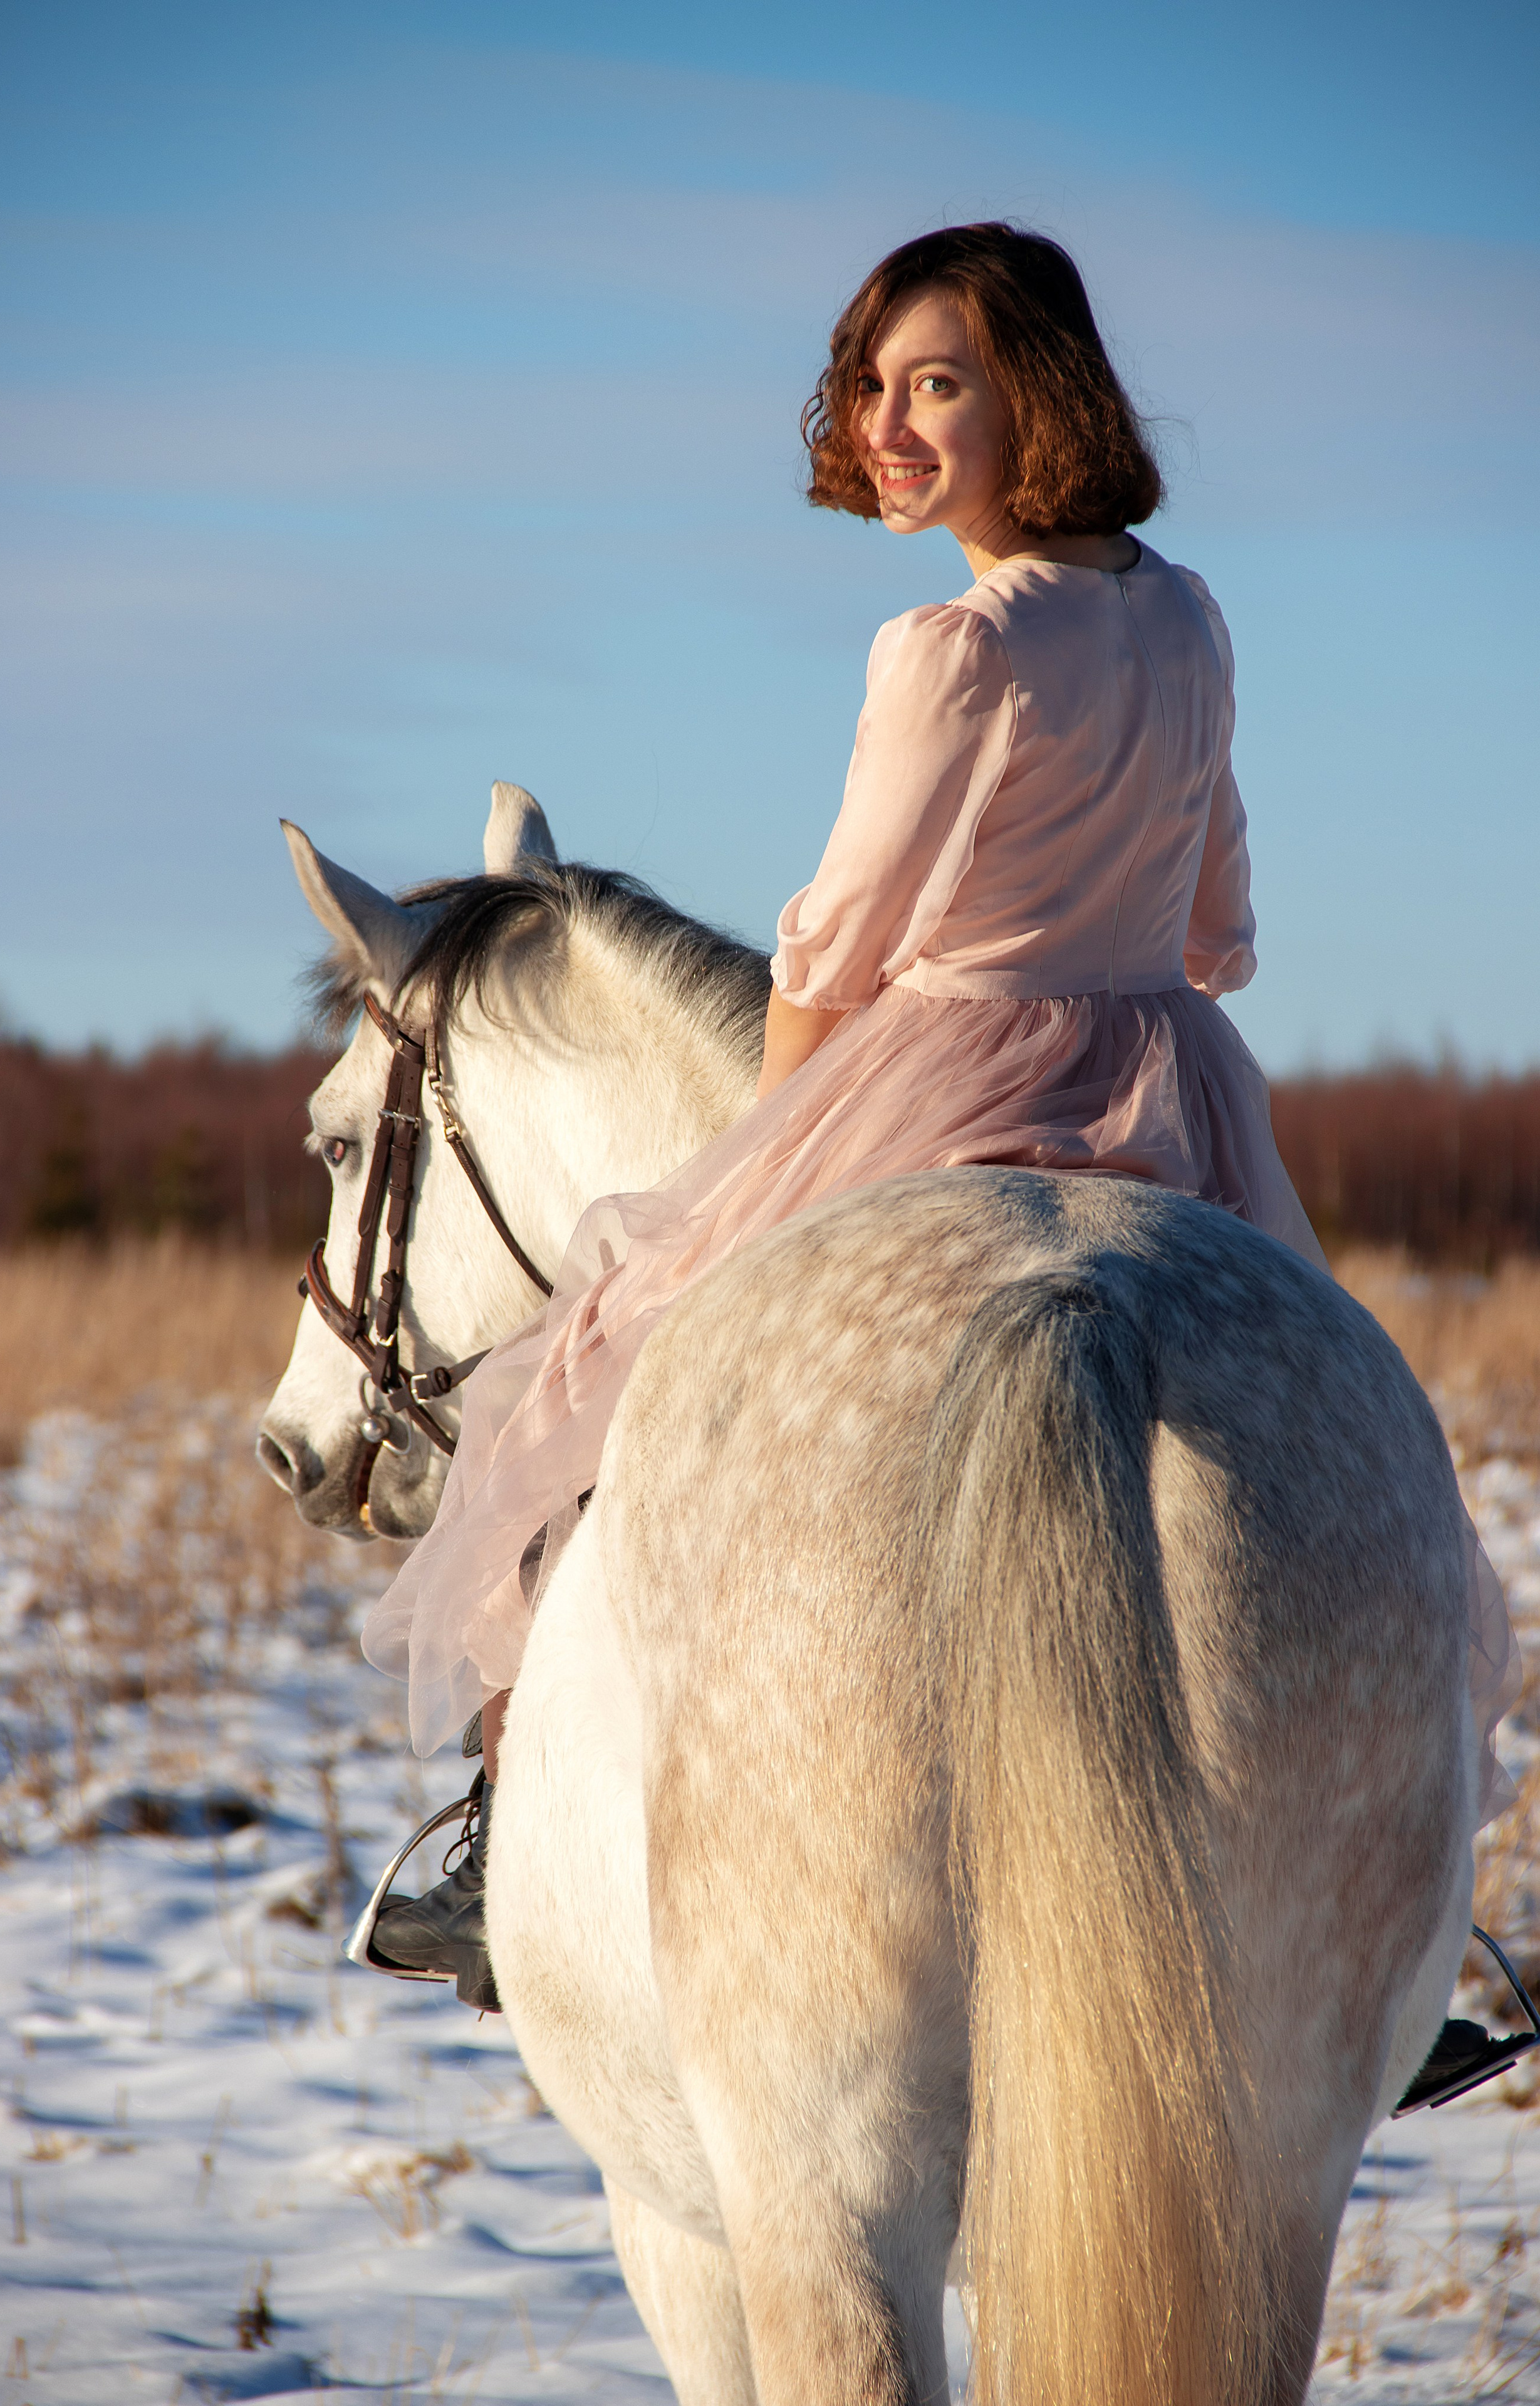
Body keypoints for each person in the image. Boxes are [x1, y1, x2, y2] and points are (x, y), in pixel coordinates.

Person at [360, 224, 1516, 2048]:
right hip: (1175, 1084)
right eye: (872, 387)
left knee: (594, 1400)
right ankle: (1411, 1947)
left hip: (941, 1072)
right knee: (1351, 1468)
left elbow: (832, 940)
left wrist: (758, 1160)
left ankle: (500, 1851)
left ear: (1033, 394)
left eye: (938, 384)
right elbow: (1219, 923)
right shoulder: (1196, 614)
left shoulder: (950, 644)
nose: (890, 425)